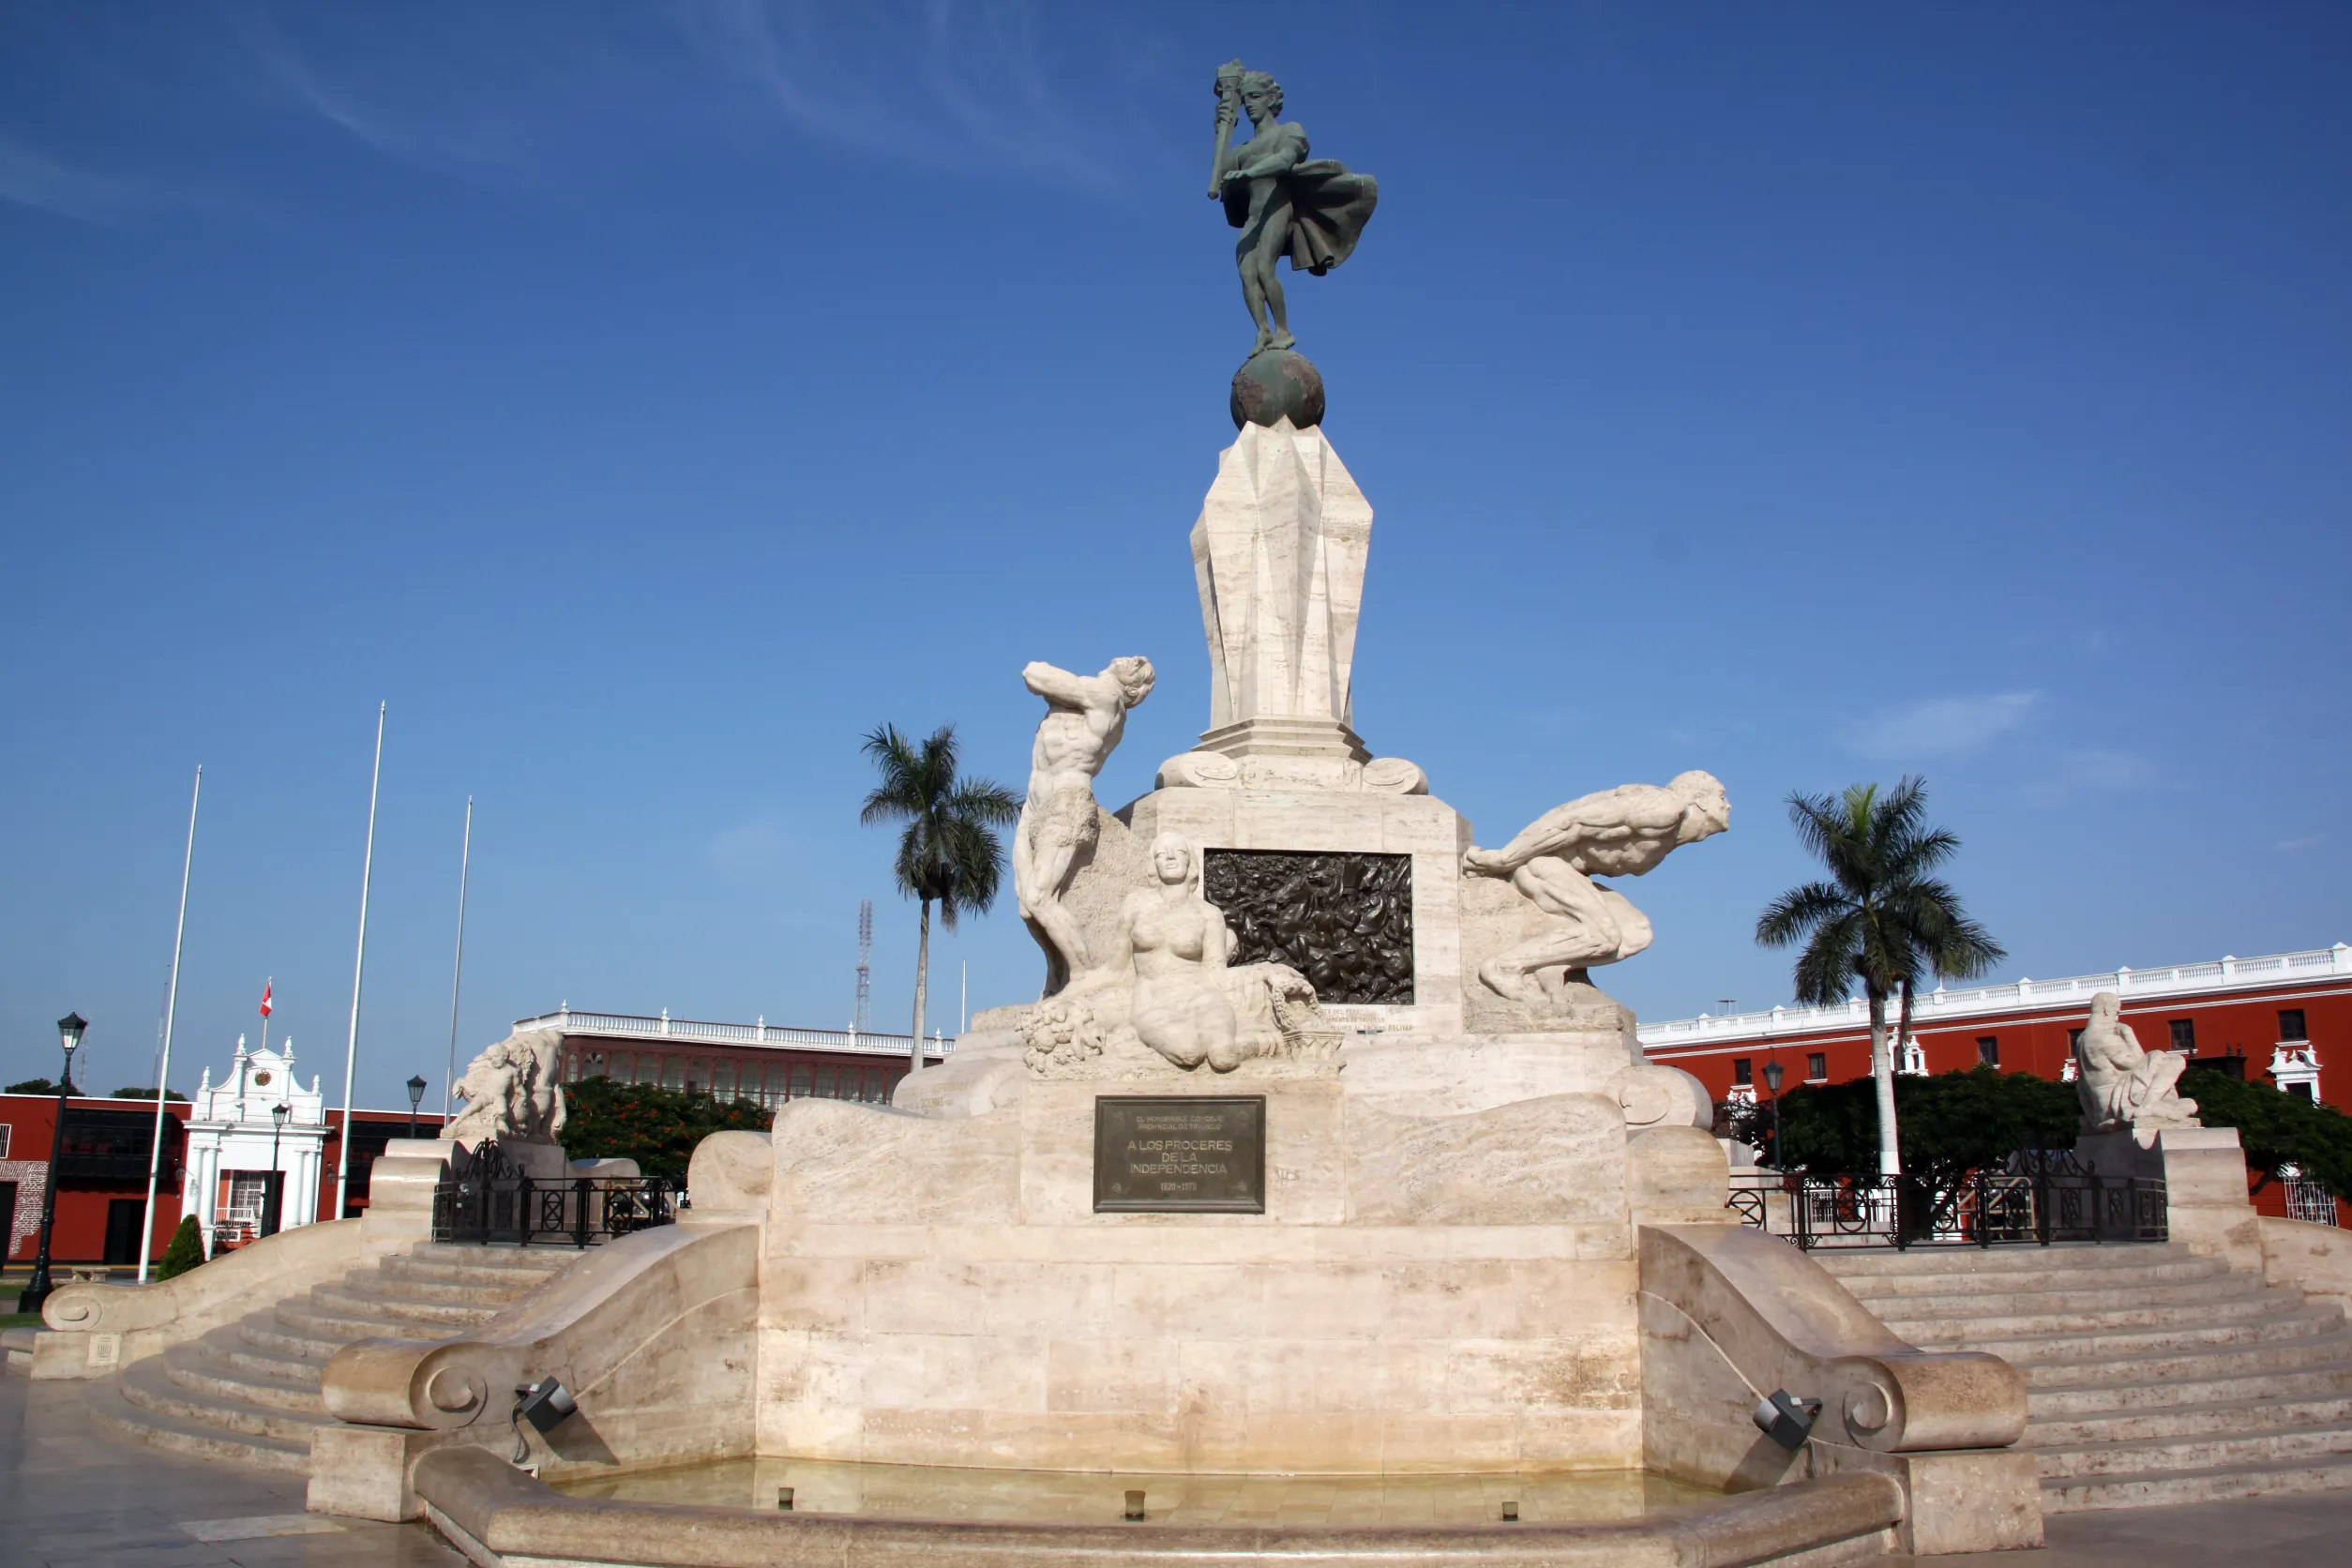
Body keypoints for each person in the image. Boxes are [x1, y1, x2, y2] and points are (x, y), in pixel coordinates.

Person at [1462, 773, 1731, 1002]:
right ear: (1701, 800)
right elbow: (1572, 821)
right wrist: (1506, 858)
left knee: (1636, 933)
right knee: (1604, 936)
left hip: (1569, 873)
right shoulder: (1664, 807)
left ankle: (1550, 966)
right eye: (1721, 796)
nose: (1728, 805)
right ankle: (1504, 966)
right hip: (1541, 865)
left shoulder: (1673, 832)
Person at [1212, 67, 1379, 356]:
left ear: (1270, 99)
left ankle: (1283, 330)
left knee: (1265, 267)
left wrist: (1249, 173)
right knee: (1247, 274)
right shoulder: (1242, 150)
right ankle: (1263, 330)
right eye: (1245, 99)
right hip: (1254, 217)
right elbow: (1219, 177)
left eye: (1255, 96)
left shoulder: (1290, 131)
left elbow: (1285, 160)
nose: (1250, 103)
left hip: (1278, 207)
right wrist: (1221, 130)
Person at [1012, 656, 1154, 988]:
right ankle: (1056, 976)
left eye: (1138, 667)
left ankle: (1083, 973)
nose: (1132, 659)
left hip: (1068, 801)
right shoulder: (1082, 698)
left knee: (1038, 898)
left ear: (1131, 688)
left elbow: (1034, 674)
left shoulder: (1105, 696)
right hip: (1033, 807)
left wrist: (1056, 691)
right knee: (1027, 907)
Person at [1103, 833, 1244, 1072]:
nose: (1169, 857)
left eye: (1178, 852)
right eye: (1160, 854)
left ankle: (1260, 1045)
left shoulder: (1209, 914)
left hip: (1203, 996)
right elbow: (1114, 968)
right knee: (1189, 1052)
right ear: (1153, 864)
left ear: (1190, 860)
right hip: (1153, 1000)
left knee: (1224, 1055)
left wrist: (1267, 972)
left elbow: (1217, 973)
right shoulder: (1135, 905)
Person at [2073, 991, 2196, 1134]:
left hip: (2100, 1112)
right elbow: (2138, 1062)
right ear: (2107, 1009)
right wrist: (2128, 1034)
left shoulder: (2081, 1039)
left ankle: (2152, 1106)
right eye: (2116, 1013)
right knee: (2174, 1060)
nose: (2117, 1018)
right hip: (2118, 1107)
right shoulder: (2104, 1037)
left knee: (2189, 1105)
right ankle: (2147, 1106)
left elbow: (2082, 1089)